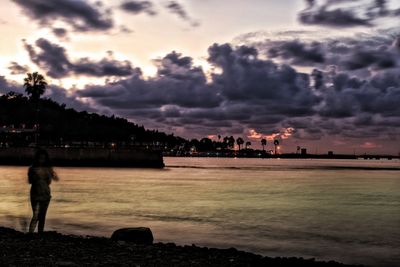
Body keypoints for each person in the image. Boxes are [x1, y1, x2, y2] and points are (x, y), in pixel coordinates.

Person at [28, 149, 59, 233]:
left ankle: (40, 234)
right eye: (40, 158)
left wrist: (51, 174)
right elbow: (30, 181)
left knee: (42, 216)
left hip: (45, 194)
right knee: (35, 215)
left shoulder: (48, 169)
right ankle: (30, 233)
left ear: (46, 159)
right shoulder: (32, 168)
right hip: (35, 194)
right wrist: (35, 176)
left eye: (43, 158)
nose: (41, 160)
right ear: (37, 158)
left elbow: (55, 179)